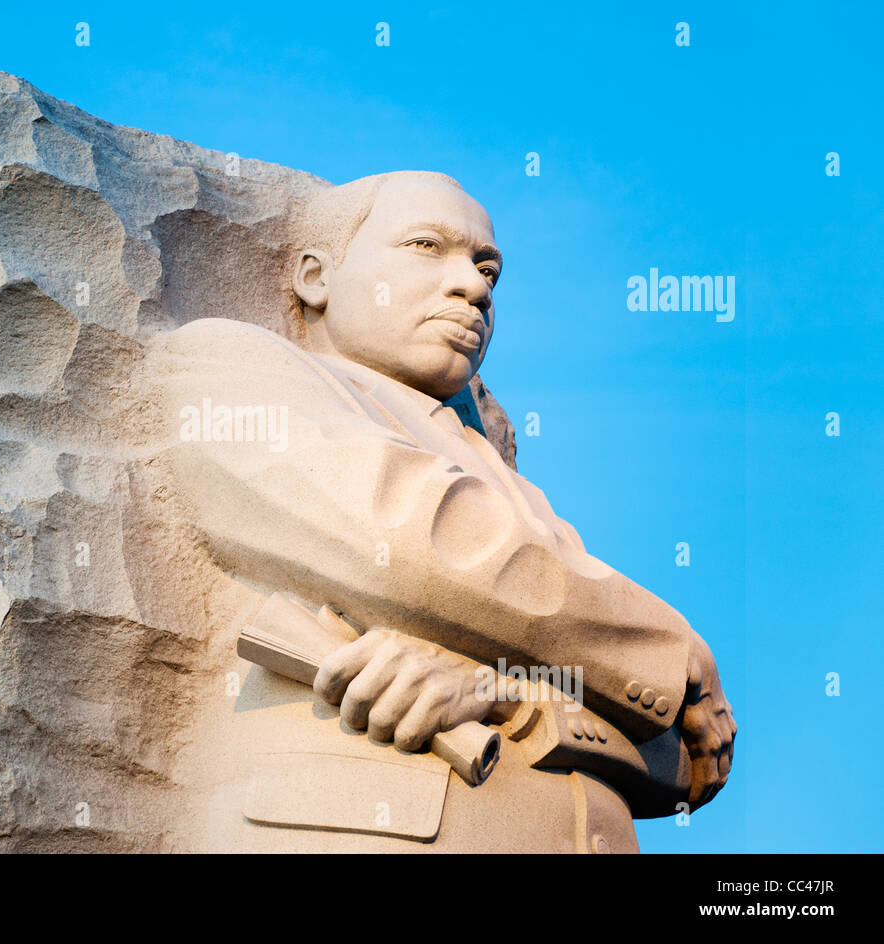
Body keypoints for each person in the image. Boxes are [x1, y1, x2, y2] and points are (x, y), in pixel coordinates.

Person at [147, 170, 736, 851]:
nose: (476, 287)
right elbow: (420, 543)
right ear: (315, 277)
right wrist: (672, 646)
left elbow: (684, 761)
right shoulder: (229, 365)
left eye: (488, 268)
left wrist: (510, 695)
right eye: (427, 246)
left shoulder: (516, 492)